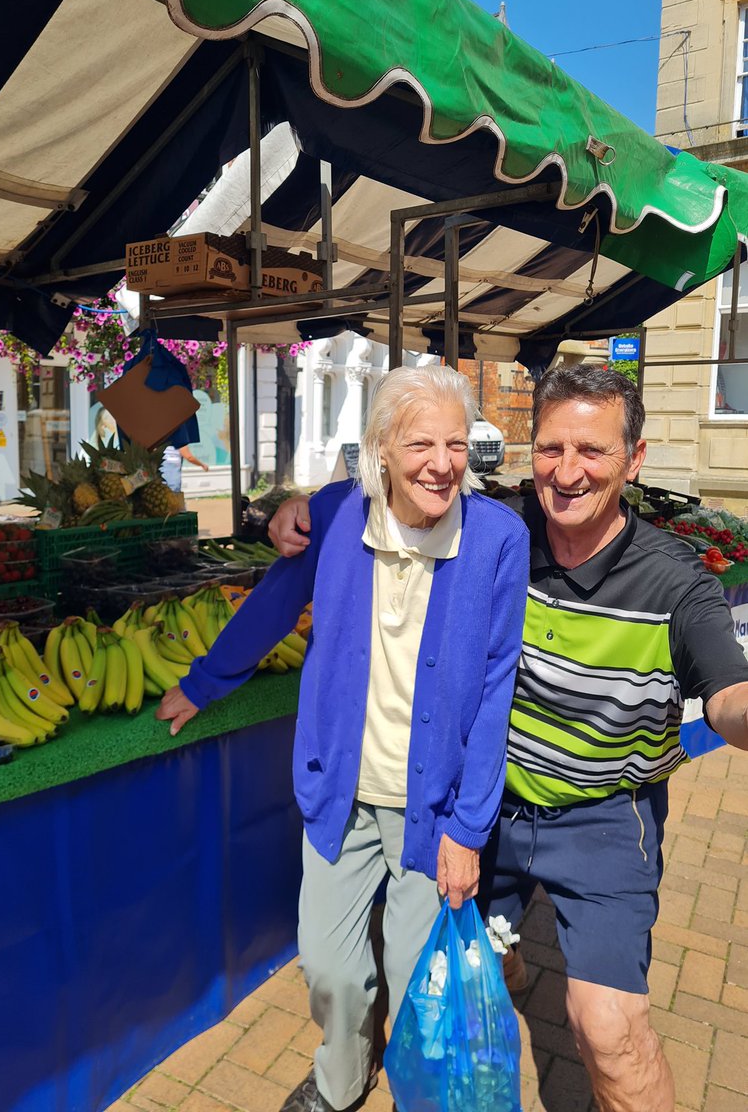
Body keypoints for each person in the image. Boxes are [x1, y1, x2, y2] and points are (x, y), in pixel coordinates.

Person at [270, 365, 748, 1112]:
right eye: (551, 449)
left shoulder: (674, 581)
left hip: (599, 817)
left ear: (636, 458)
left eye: (592, 452)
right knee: (457, 970)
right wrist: (304, 510)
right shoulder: (503, 530)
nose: (568, 472)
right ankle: (499, 959)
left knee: (608, 1029)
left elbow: (728, 693)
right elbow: (399, 495)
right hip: (491, 808)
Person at [157, 364, 530, 1112]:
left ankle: (412, 1090)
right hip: (342, 793)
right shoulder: (331, 517)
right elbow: (272, 606)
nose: (441, 463)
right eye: (420, 443)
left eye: (456, 444)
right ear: (381, 452)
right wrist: (202, 685)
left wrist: (468, 827)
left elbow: (496, 689)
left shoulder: (498, 538)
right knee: (328, 965)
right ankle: (345, 1073)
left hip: (436, 807)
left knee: (413, 967)